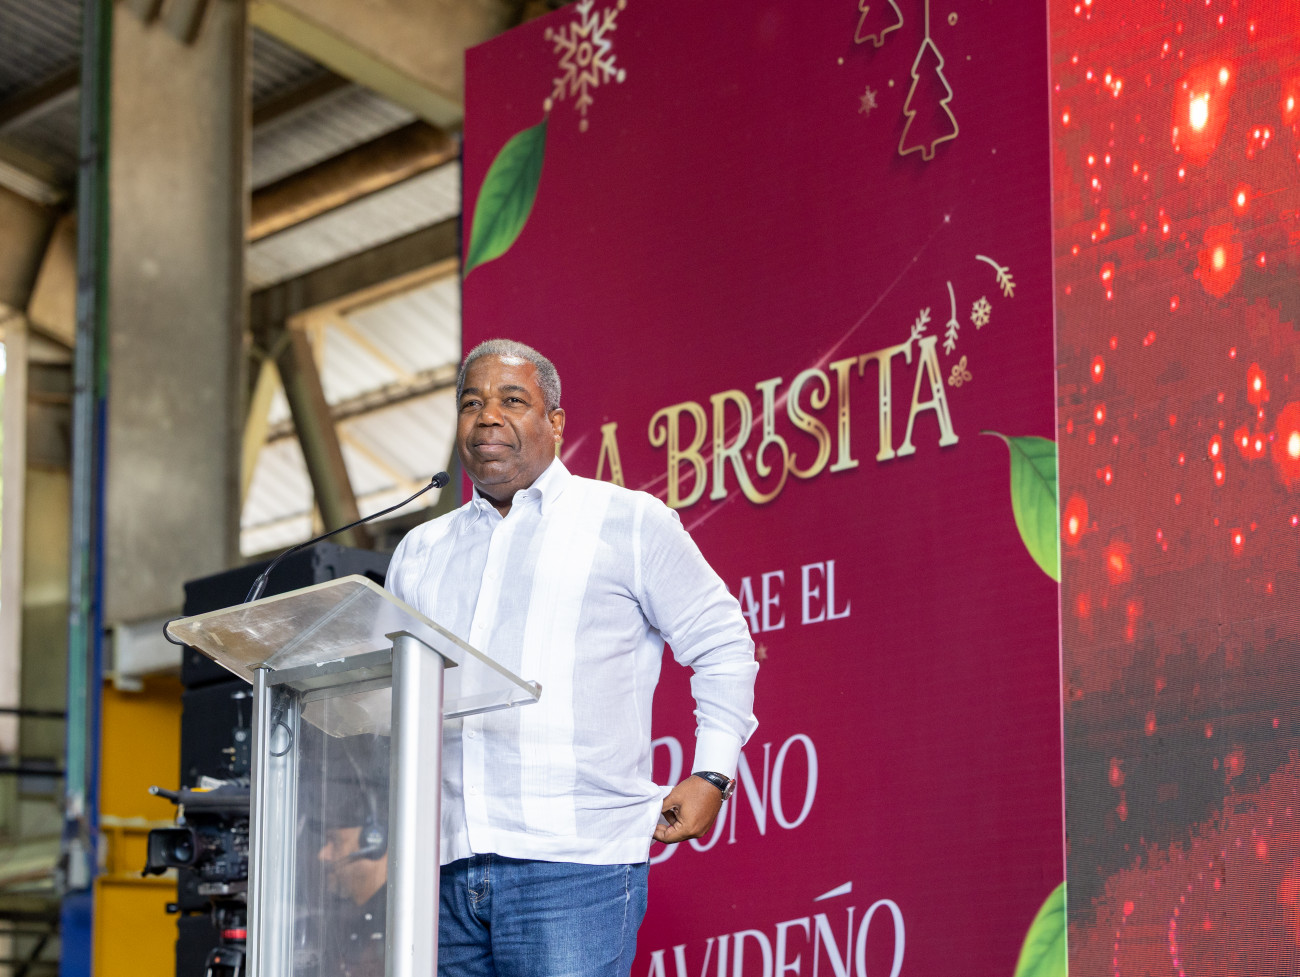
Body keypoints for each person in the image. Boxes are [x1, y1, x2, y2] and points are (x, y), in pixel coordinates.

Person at [384, 338, 758, 977]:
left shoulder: (627, 521)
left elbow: (722, 643)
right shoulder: (420, 551)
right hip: (439, 868)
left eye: (512, 401)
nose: (487, 417)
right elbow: (388, 695)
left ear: (555, 423)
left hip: (574, 869)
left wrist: (713, 774)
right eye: (471, 403)